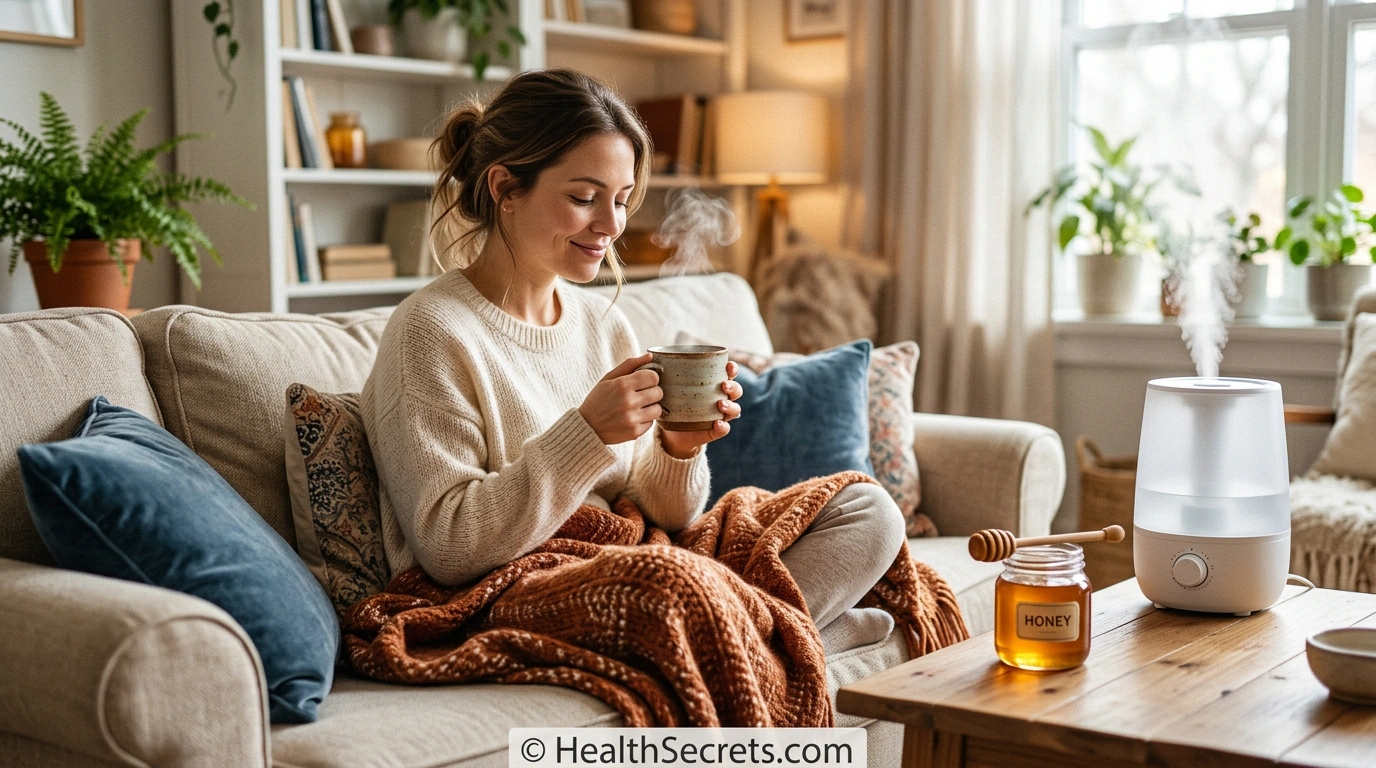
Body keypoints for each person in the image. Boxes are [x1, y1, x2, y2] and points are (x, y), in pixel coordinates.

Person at [361, 69, 906, 653]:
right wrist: (587, 433)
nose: (612, 226)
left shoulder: (602, 323)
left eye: (621, 201)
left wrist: (679, 445)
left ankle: (758, 634)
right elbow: (448, 545)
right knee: (674, 584)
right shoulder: (432, 331)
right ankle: (788, 636)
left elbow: (666, 517)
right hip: (525, 584)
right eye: (583, 198)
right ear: (504, 190)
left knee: (867, 510)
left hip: (639, 556)